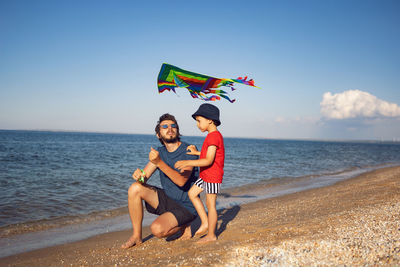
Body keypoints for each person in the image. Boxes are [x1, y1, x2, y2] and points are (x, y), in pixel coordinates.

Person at [121, 113, 199, 249]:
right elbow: (143, 179)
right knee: (135, 188)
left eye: (173, 125)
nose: (170, 128)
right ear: (158, 134)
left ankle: (184, 223)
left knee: (157, 230)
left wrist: (159, 162)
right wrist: (138, 176)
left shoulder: (189, 150)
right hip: (168, 199)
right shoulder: (160, 152)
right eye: (164, 126)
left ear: (177, 130)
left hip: (188, 205)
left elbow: (182, 181)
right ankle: (136, 236)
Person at [175, 103, 225, 243]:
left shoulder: (214, 136)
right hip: (205, 175)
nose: (197, 124)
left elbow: (209, 160)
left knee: (211, 205)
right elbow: (208, 154)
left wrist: (188, 162)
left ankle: (211, 235)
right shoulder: (211, 136)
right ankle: (205, 222)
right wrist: (196, 152)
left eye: (199, 121)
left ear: (210, 120)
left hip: (213, 177)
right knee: (192, 193)